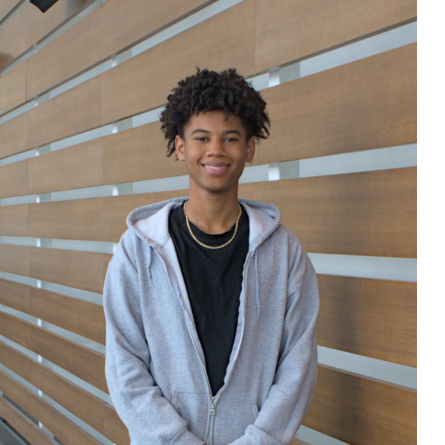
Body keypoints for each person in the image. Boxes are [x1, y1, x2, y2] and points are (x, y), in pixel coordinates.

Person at [103, 68, 319, 445]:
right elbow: (125, 366)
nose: (216, 150)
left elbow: (297, 364)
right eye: (201, 137)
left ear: (249, 148)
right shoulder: (137, 250)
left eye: (230, 138)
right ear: (181, 146)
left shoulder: (284, 253)